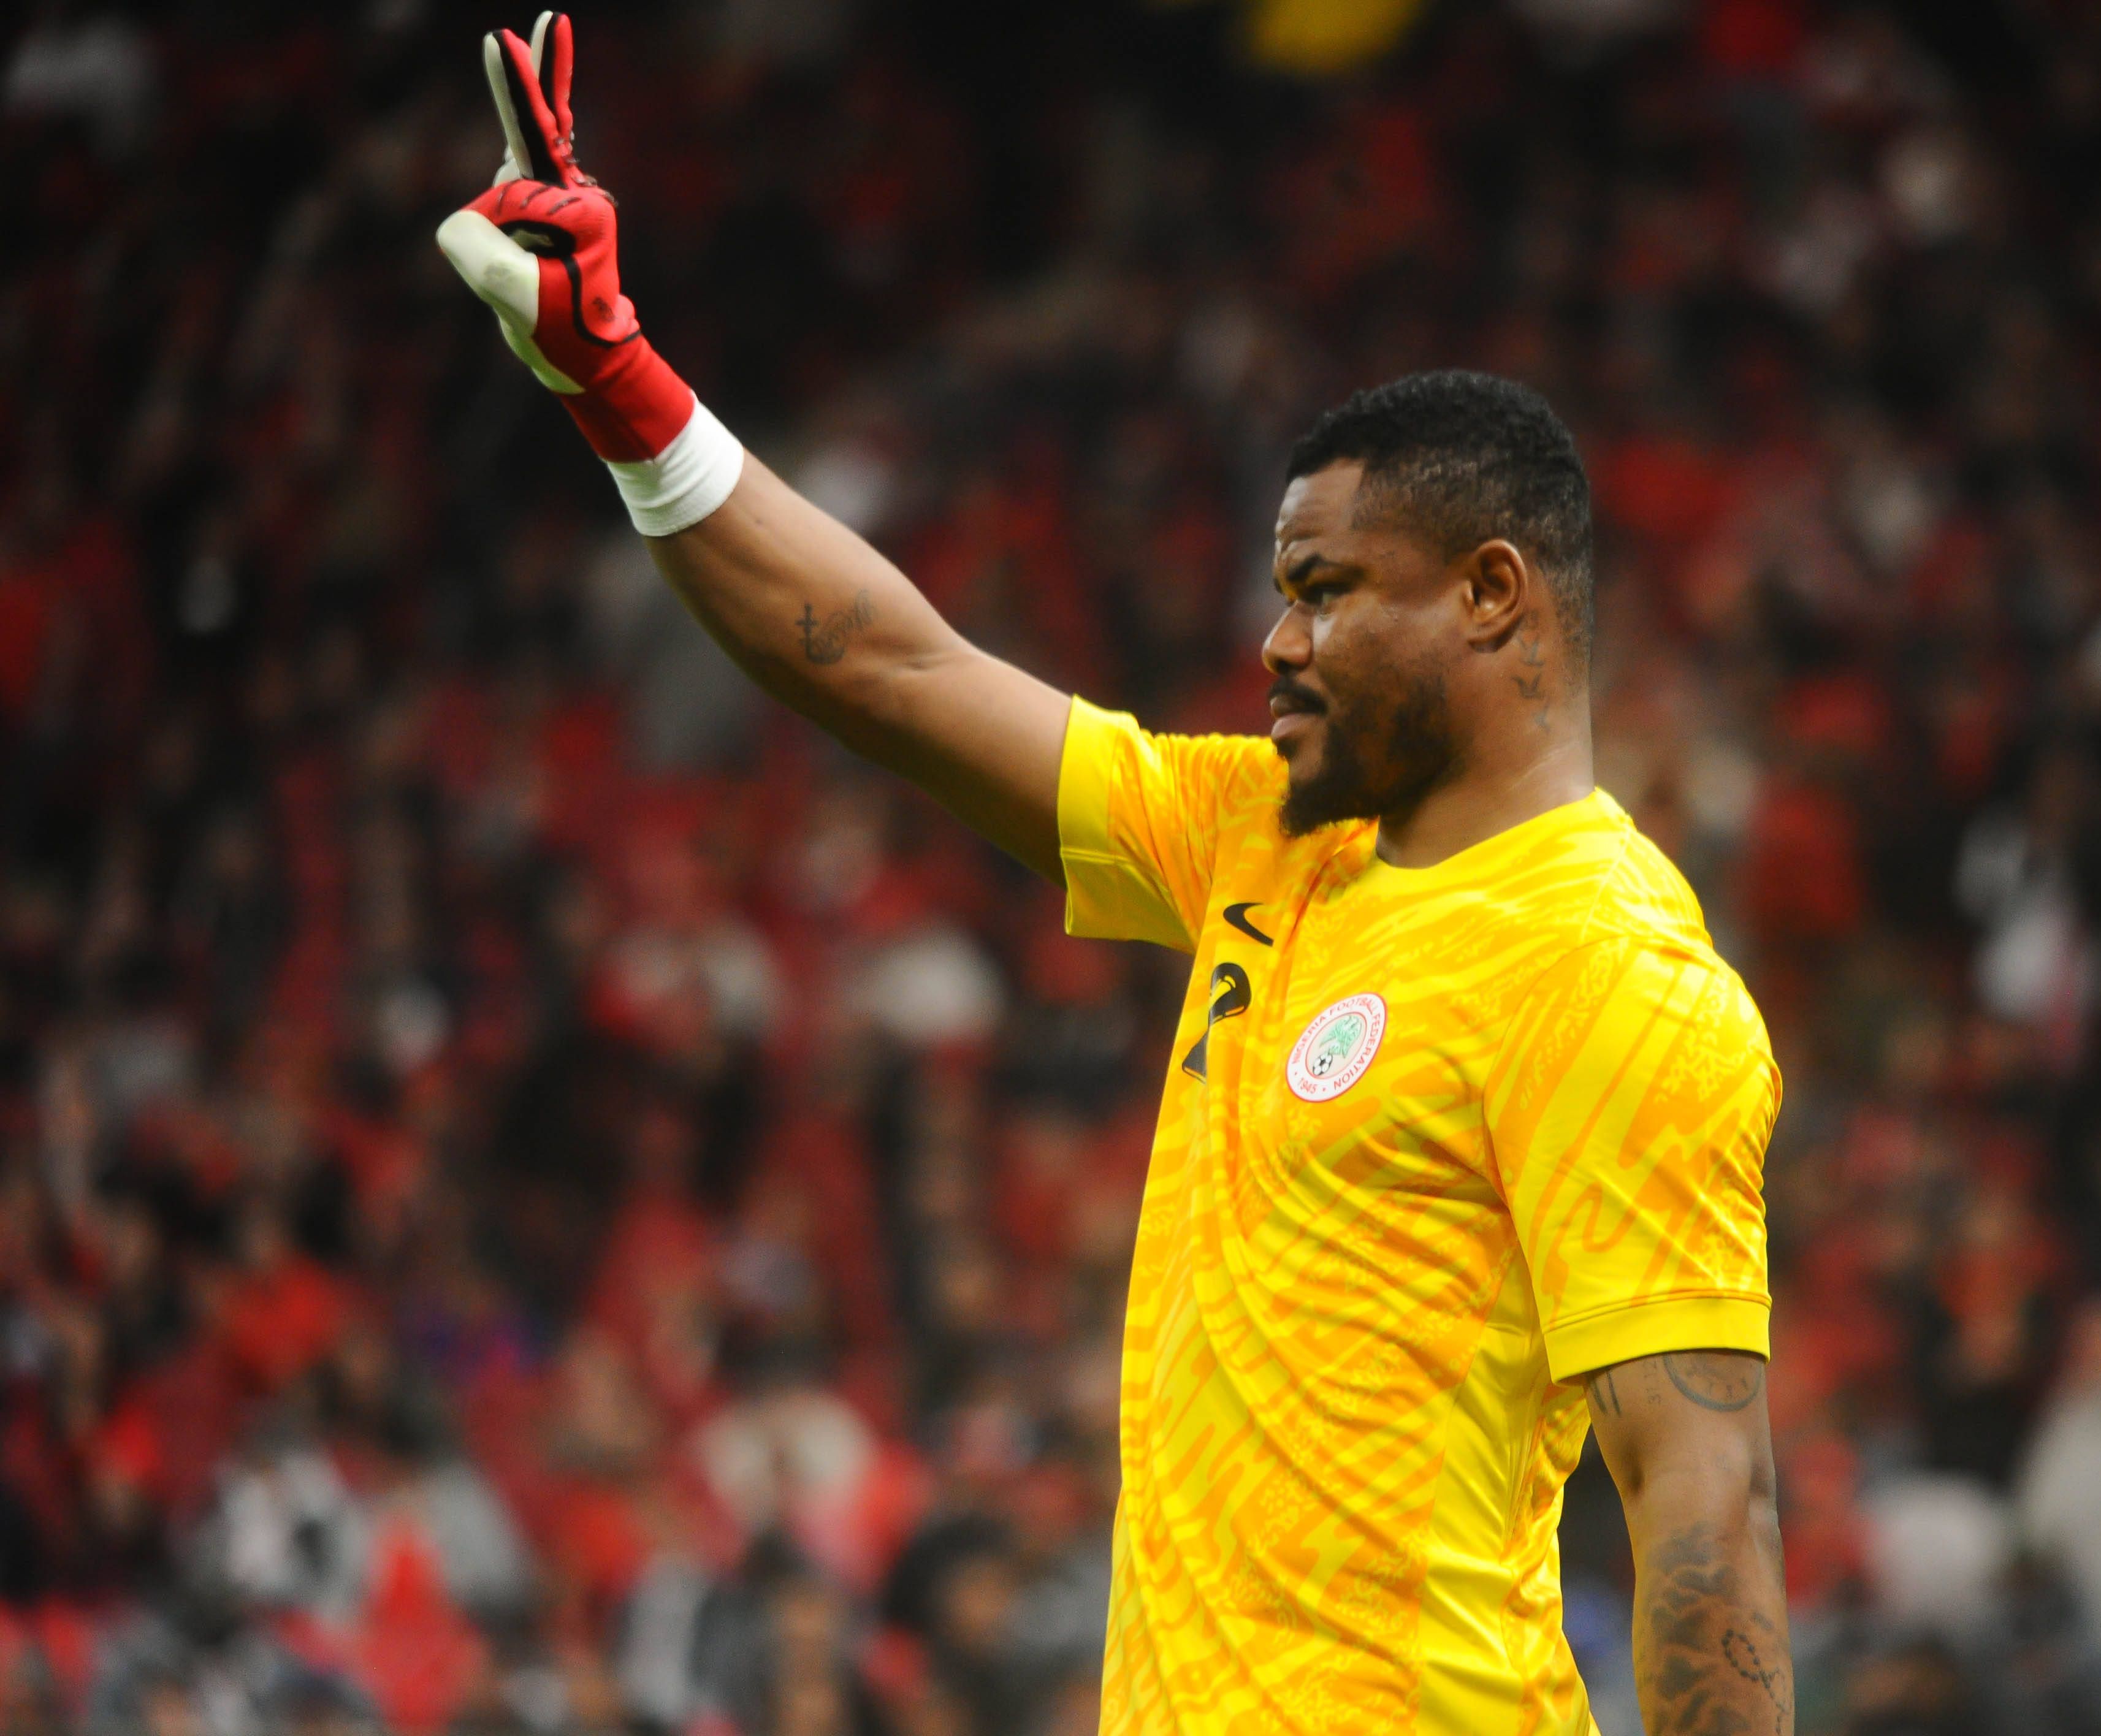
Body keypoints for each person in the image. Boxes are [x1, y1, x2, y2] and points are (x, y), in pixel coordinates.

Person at [434, 16, 1789, 1733]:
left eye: (1325, 591)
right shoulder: (1262, 838)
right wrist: (621, 382)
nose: (1277, 641)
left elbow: (1703, 1503)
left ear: (1492, 596)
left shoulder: (1612, 973)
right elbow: (890, 667)